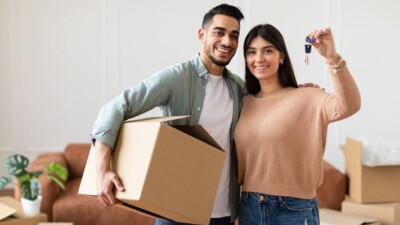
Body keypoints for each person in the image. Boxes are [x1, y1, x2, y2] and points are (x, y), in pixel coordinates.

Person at [91, 4, 245, 225]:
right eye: (219, 32)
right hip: (177, 211)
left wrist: (298, 91)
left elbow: (272, 106)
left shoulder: (238, 88)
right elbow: (115, 108)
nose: (227, 42)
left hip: (224, 214)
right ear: (201, 35)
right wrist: (102, 170)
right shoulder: (177, 78)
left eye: (234, 36)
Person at [234, 24, 361, 225]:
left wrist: (332, 58)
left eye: (268, 50)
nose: (258, 59)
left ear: (281, 56)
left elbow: (350, 105)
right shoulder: (243, 103)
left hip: (293, 209)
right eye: (251, 52)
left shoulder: (308, 97)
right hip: (249, 207)